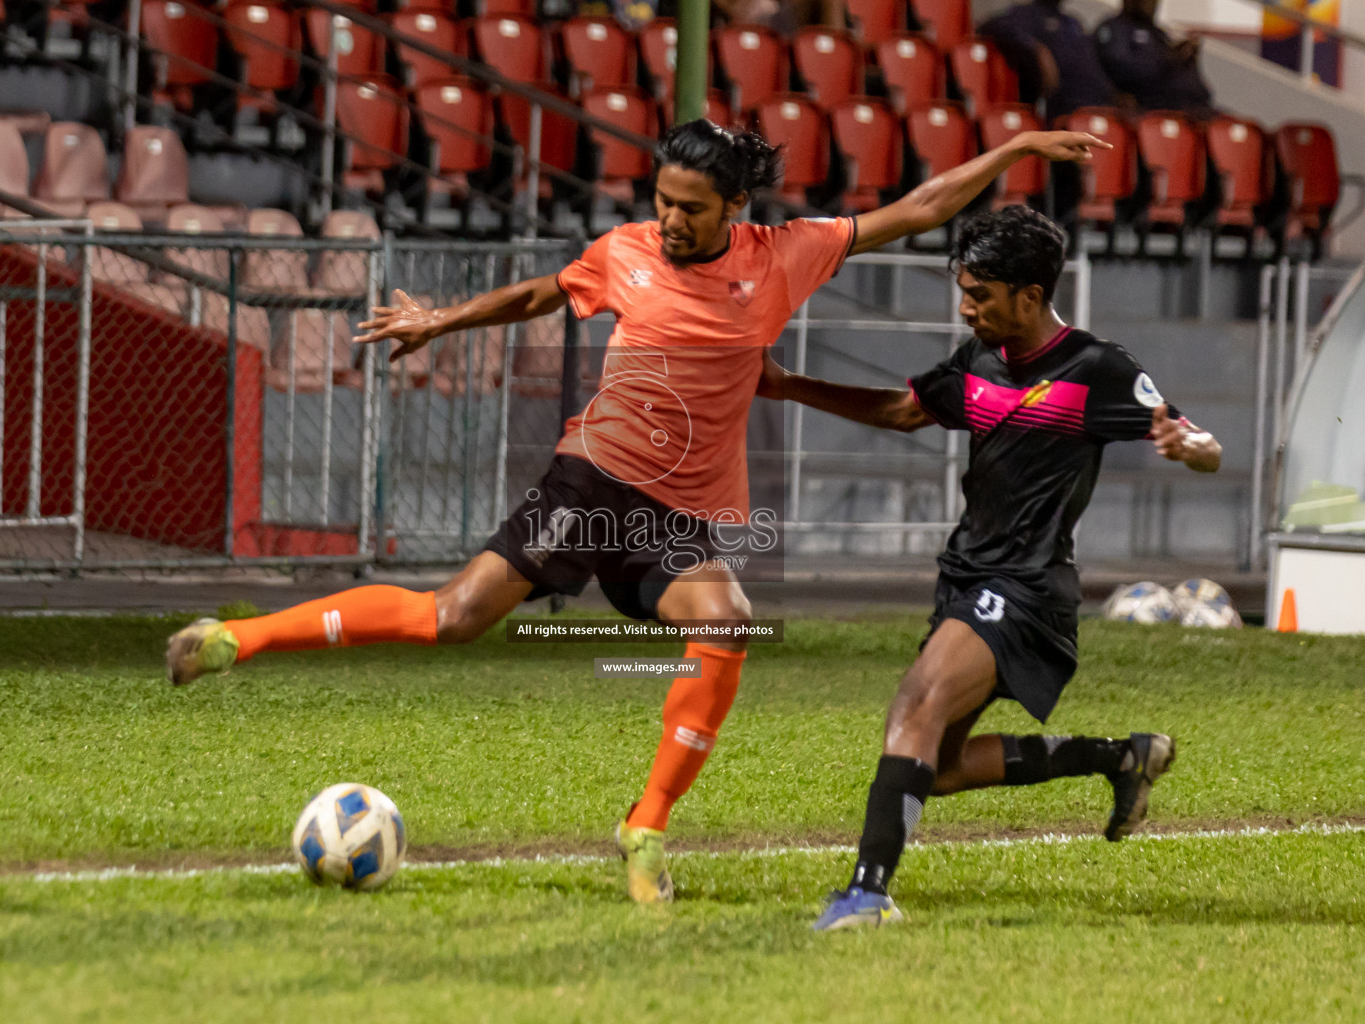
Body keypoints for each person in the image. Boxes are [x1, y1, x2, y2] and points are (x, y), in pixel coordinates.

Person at [165, 120, 1108, 906]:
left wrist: (1012, 147)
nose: (668, 220)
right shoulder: (624, 252)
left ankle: (645, 829)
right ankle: (233, 641)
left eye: (690, 209)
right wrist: (441, 320)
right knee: (452, 617)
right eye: (661, 200)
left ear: (735, 210)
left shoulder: (785, 257)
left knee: (727, 624)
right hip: (593, 485)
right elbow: (545, 291)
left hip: (681, 517)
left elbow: (920, 210)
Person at [754, 205, 1223, 930]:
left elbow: (1201, 441)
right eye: (963, 291)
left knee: (913, 704)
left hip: (1027, 589)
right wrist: (790, 386)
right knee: (935, 767)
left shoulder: (1097, 369)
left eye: (980, 295)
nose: (966, 308)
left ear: (1030, 296)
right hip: (967, 580)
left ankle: (866, 894)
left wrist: (1189, 448)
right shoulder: (977, 362)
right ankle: (1120, 757)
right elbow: (906, 410)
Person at [979, 0, 1116, 121]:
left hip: (1094, 106)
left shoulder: (1073, 23)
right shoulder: (1025, 15)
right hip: (1059, 108)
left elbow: (1093, 67)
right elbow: (990, 26)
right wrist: (1036, 49)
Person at [1095, 0, 1215, 116]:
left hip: (1195, 107)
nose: (1152, 5)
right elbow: (1122, 66)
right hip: (1153, 108)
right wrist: (1168, 59)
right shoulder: (1114, 29)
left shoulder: (1157, 34)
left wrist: (1184, 56)